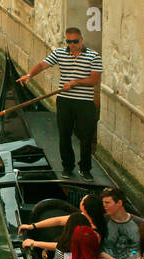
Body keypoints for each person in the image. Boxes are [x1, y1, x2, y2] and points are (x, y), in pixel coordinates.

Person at [18, 27, 102, 179]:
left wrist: (76, 82)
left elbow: (95, 79)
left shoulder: (94, 56)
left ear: (81, 40)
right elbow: (43, 65)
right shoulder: (60, 53)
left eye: (75, 41)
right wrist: (29, 75)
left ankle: (85, 169)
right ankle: (68, 167)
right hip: (65, 101)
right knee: (64, 135)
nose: (71, 44)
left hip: (85, 102)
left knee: (86, 136)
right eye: (69, 41)